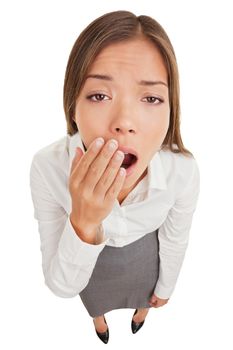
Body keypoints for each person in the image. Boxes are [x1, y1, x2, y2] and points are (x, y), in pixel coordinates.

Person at [29, 10, 200, 344]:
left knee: (144, 294)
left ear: (171, 112)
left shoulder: (183, 172)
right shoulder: (47, 167)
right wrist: (83, 221)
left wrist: (164, 289)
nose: (124, 122)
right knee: (95, 298)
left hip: (144, 256)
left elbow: (174, 239)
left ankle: (141, 312)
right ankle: (100, 320)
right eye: (99, 95)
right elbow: (63, 285)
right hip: (88, 261)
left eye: (151, 98)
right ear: (73, 108)